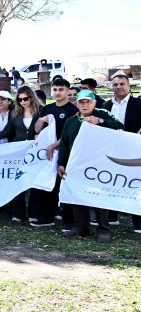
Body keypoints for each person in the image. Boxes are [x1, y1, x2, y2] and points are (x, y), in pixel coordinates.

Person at [59, 90, 123, 243]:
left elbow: (120, 127)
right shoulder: (71, 121)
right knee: (77, 195)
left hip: (99, 164)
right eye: (81, 102)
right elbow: (64, 144)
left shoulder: (103, 114)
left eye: (88, 101)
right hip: (76, 165)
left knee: (99, 196)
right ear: (77, 103)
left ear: (94, 102)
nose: (85, 104)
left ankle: (103, 229)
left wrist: (99, 121)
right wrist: (61, 163)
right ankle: (81, 227)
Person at [0, 86, 39, 222]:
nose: (22, 101)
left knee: (34, 182)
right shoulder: (16, 114)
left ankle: (34, 214)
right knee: (18, 180)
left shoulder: (39, 113)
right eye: (20, 99)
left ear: (31, 98)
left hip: (35, 151)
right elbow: (6, 131)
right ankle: (18, 213)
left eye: (25, 99)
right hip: (17, 151)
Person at [33, 76, 79, 230]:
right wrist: (43, 119)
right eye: (55, 89)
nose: (57, 92)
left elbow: (69, 134)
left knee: (63, 186)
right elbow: (37, 130)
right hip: (48, 154)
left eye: (61, 90)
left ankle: (69, 221)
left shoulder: (74, 110)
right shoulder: (47, 108)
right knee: (46, 184)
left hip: (66, 153)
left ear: (67, 91)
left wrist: (54, 145)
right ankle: (47, 217)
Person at [103, 73, 141, 233]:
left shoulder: (138, 104)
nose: (118, 87)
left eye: (121, 84)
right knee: (111, 182)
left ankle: (138, 221)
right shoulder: (105, 106)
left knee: (134, 184)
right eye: (115, 84)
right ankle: (111, 217)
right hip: (110, 150)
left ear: (128, 86)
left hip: (133, 149)